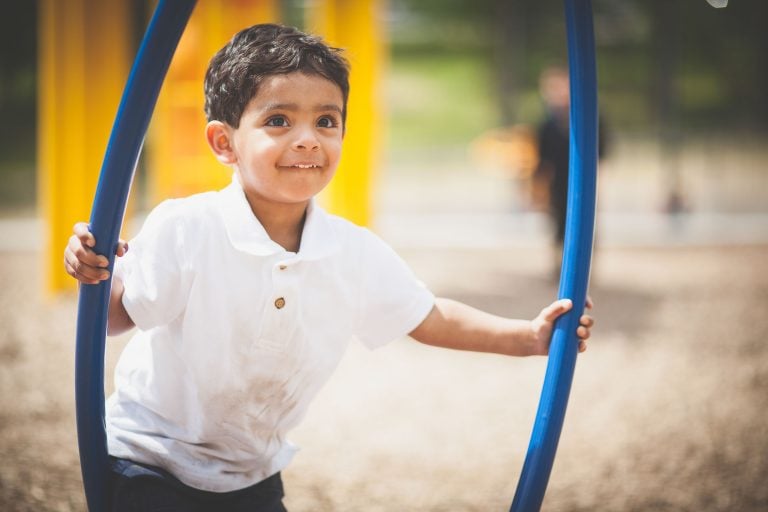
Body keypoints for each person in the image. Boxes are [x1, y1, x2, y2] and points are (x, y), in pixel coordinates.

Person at [64, 24, 594, 512]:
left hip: (252, 475)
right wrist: (94, 269)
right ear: (224, 143)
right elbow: (116, 317)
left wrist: (529, 337)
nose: (307, 139)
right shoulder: (188, 226)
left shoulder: (350, 251)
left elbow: (428, 317)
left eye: (326, 120)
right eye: (278, 120)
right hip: (149, 462)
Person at [533, 66, 608, 279]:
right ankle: (560, 267)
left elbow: (601, 152)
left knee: (586, 223)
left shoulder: (590, 118)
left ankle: (585, 268)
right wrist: (539, 189)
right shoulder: (547, 124)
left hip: (583, 181)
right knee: (558, 224)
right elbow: (542, 160)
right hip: (558, 182)